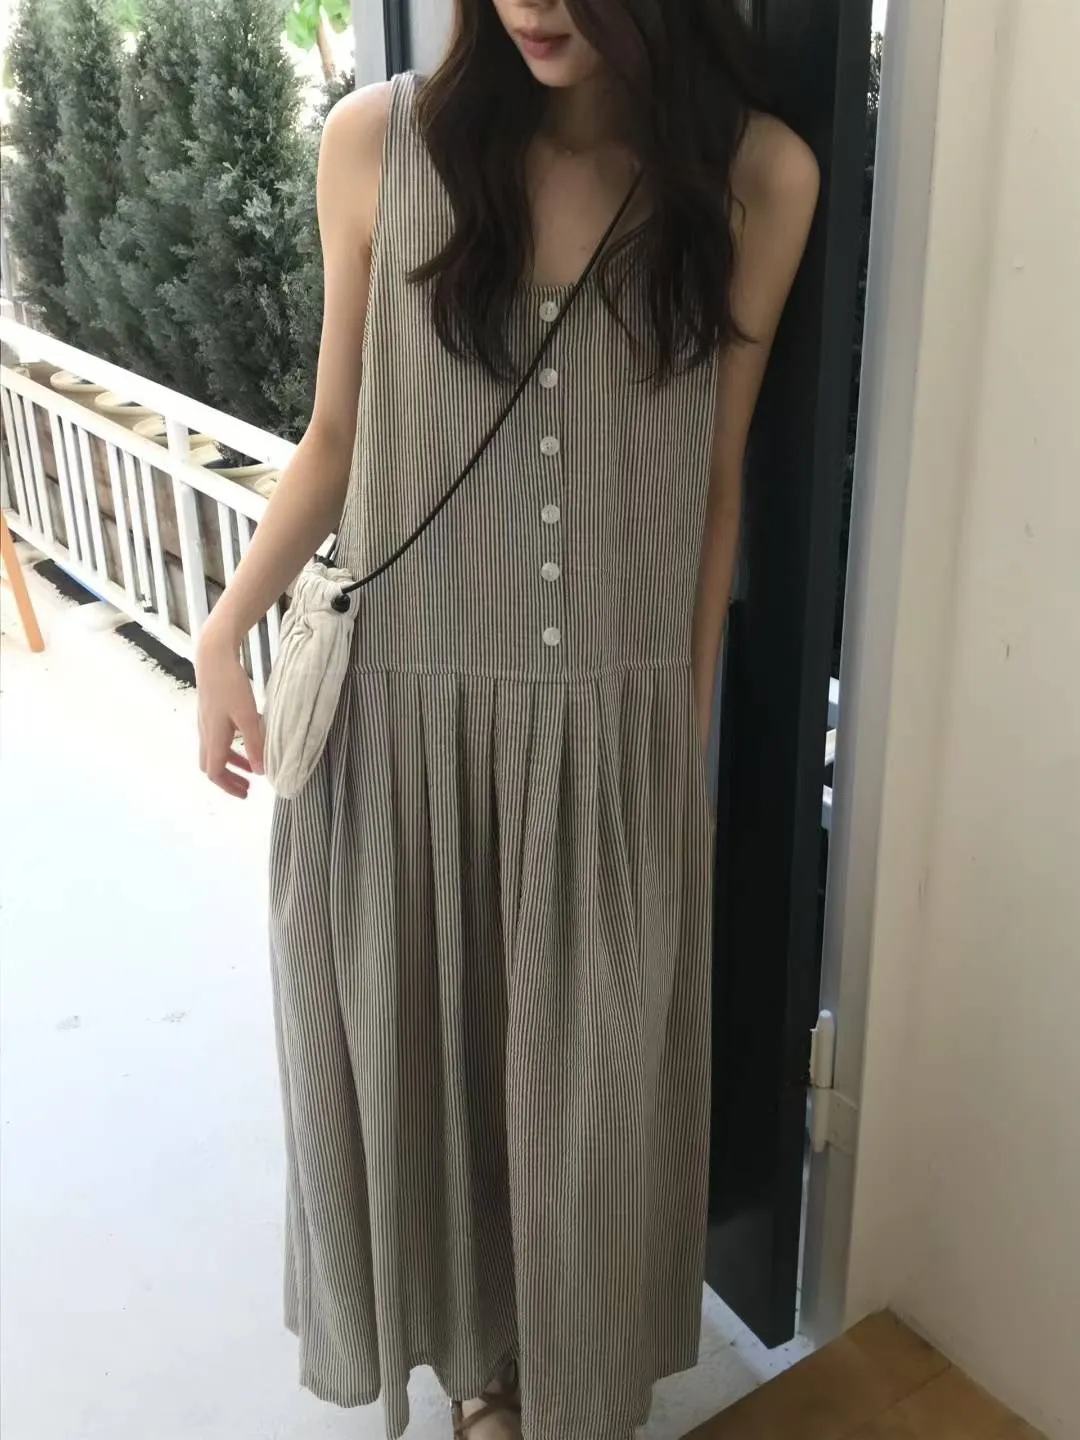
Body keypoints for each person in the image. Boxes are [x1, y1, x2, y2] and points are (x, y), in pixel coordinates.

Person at [195, 1, 818, 1435]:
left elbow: (712, 485)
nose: (532, 4)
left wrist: (675, 752)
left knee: (584, 1107)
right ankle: (483, 1380)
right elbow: (337, 437)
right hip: (397, 729)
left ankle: (564, 1383)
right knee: (435, 1083)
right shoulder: (380, 144)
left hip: (603, 743)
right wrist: (226, 630)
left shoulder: (755, 180)